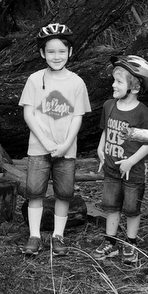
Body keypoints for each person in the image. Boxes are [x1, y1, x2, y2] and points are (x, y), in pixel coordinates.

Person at [18, 23, 91, 257]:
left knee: (64, 194)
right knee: (35, 192)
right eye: (51, 51)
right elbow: (28, 114)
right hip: (39, 148)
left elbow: (77, 117)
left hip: (66, 150)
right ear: (42, 53)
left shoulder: (77, 82)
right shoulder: (34, 79)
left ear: (70, 52)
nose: (56, 56)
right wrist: (47, 143)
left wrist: (66, 144)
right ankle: (35, 235)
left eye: (61, 51)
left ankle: (58, 236)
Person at [95, 55, 148, 266]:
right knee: (111, 206)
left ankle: (131, 244)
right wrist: (100, 149)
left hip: (133, 172)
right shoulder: (108, 105)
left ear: (135, 87)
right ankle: (111, 243)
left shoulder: (142, 112)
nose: (113, 85)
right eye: (114, 80)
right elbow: (105, 130)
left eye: (119, 82)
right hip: (111, 170)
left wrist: (131, 161)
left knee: (131, 209)